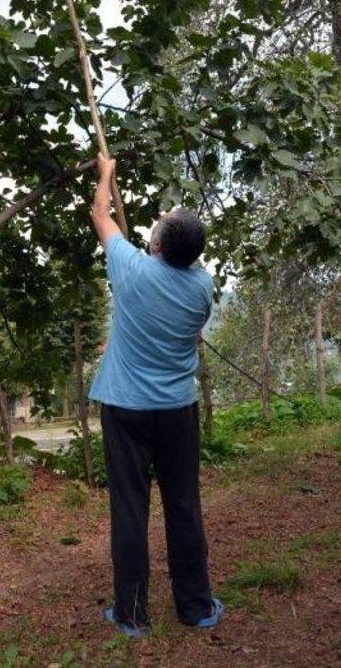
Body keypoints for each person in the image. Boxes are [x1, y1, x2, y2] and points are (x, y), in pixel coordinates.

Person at [89, 153, 223, 638]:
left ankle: (132, 613)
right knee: (184, 505)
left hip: (125, 410)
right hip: (176, 412)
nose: (155, 226)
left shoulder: (132, 270)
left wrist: (106, 173)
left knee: (130, 509)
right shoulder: (203, 287)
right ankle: (196, 606)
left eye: (160, 224)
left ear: (160, 243)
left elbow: (100, 214)